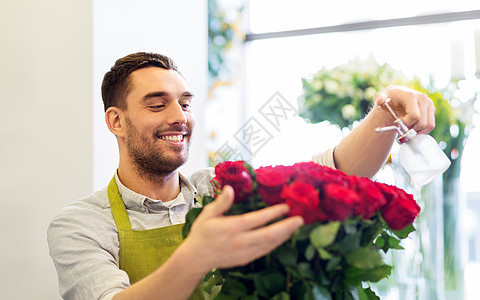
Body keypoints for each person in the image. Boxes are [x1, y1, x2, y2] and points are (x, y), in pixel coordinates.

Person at [47, 52, 436, 300]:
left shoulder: (216, 188)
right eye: (157, 104)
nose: (179, 117)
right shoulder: (80, 224)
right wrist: (197, 255)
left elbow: (328, 174)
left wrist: (386, 109)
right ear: (116, 121)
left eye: (184, 103)